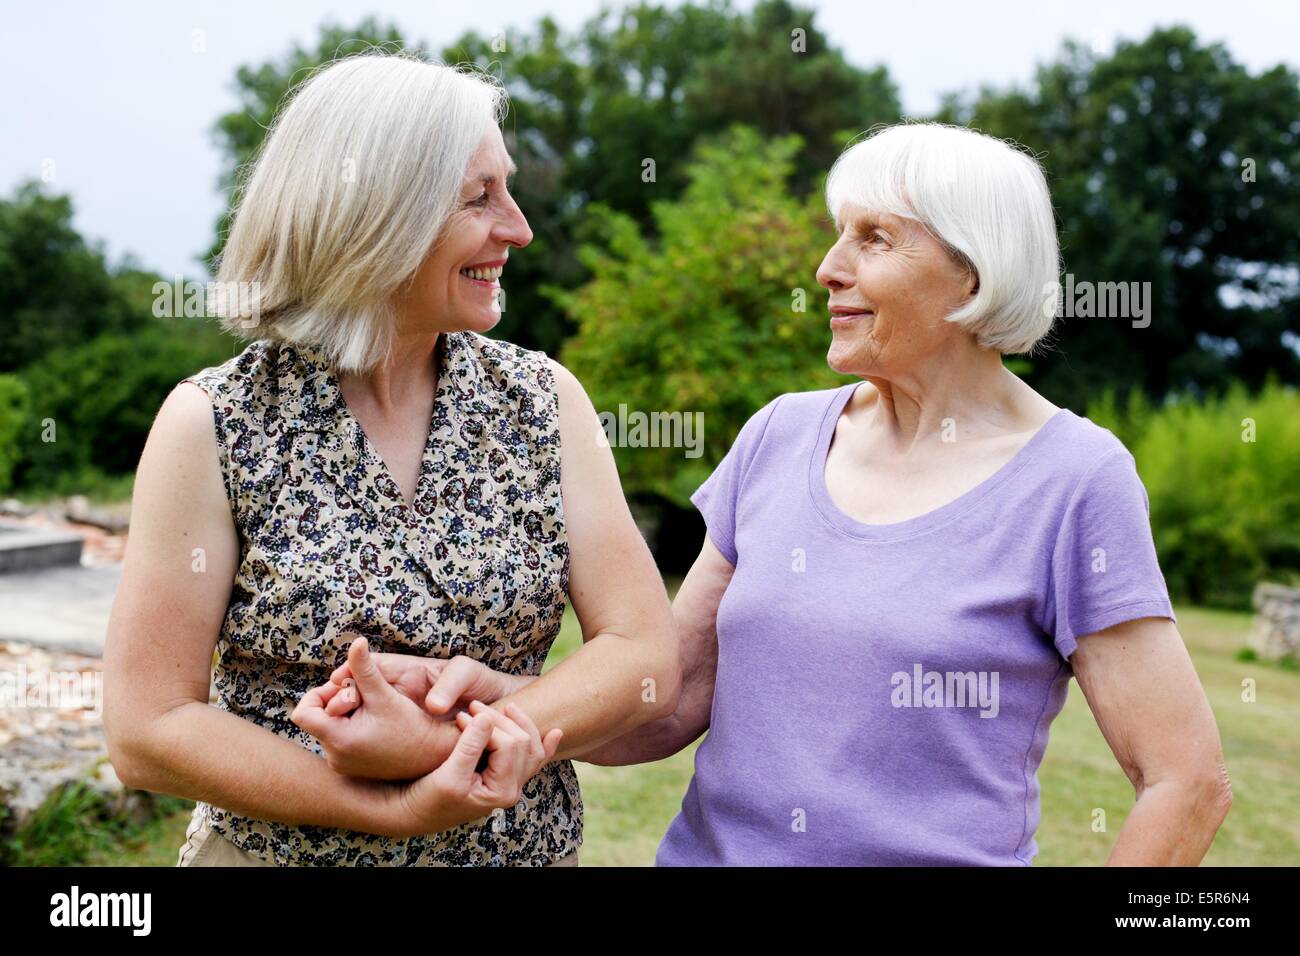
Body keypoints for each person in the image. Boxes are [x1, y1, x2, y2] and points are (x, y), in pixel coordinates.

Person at [102, 51, 679, 867]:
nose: (518, 227)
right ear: (379, 214)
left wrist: (484, 736)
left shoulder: (544, 401)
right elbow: (148, 729)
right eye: (480, 197)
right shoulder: (214, 424)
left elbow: (642, 652)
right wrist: (396, 809)